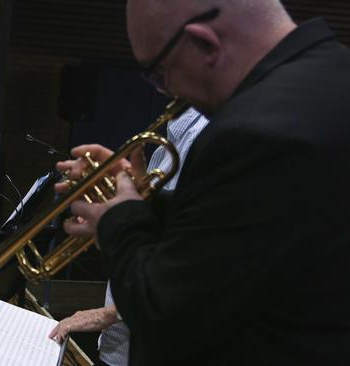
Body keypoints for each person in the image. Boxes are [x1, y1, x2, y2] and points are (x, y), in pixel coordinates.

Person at [57, 0, 350, 365]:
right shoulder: (332, 76)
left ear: (206, 44)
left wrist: (119, 220)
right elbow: (243, 237)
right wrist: (143, 200)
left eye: (160, 73)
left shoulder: (253, 132)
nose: (167, 93)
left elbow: (166, 314)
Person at [49, 108, 209, 366]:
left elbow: (196, 265)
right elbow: (161, 231)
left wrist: (107, 314)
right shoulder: (174, 137)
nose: (158, 82)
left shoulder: (212, 136)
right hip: (124, 335)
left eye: (159, 69)